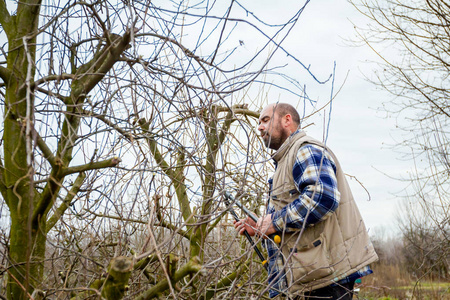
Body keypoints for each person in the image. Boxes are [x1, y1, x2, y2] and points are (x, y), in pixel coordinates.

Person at [234, 103, 378, 299]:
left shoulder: (305, 150)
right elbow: (294, 223)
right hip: (311, 279)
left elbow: (322, 197)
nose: (259, 127)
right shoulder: (284, 161)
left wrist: (273, 222)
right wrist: (261, 228)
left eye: (265, 120)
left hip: (326, 281)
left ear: (287, 120)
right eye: (258, 122)